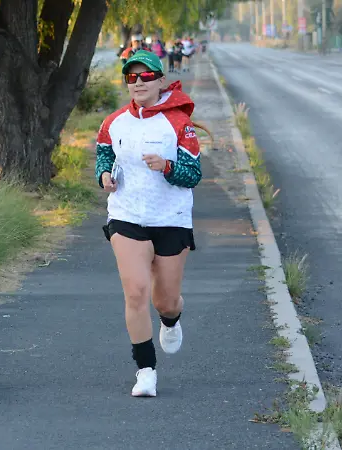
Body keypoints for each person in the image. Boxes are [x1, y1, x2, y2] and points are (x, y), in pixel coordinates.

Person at [94, 50, 202, 397]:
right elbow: (104, 156)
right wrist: (104, 176)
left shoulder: (178, 123)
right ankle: (145, 370)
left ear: (160, 81)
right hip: (126, 216)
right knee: (136, 291)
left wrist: (167, 167)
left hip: (170, 219)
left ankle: (171, 320)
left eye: (146, 77)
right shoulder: (114, 123)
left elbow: (193, 174)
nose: (138, 83)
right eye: (131, 77)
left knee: (165, 301)